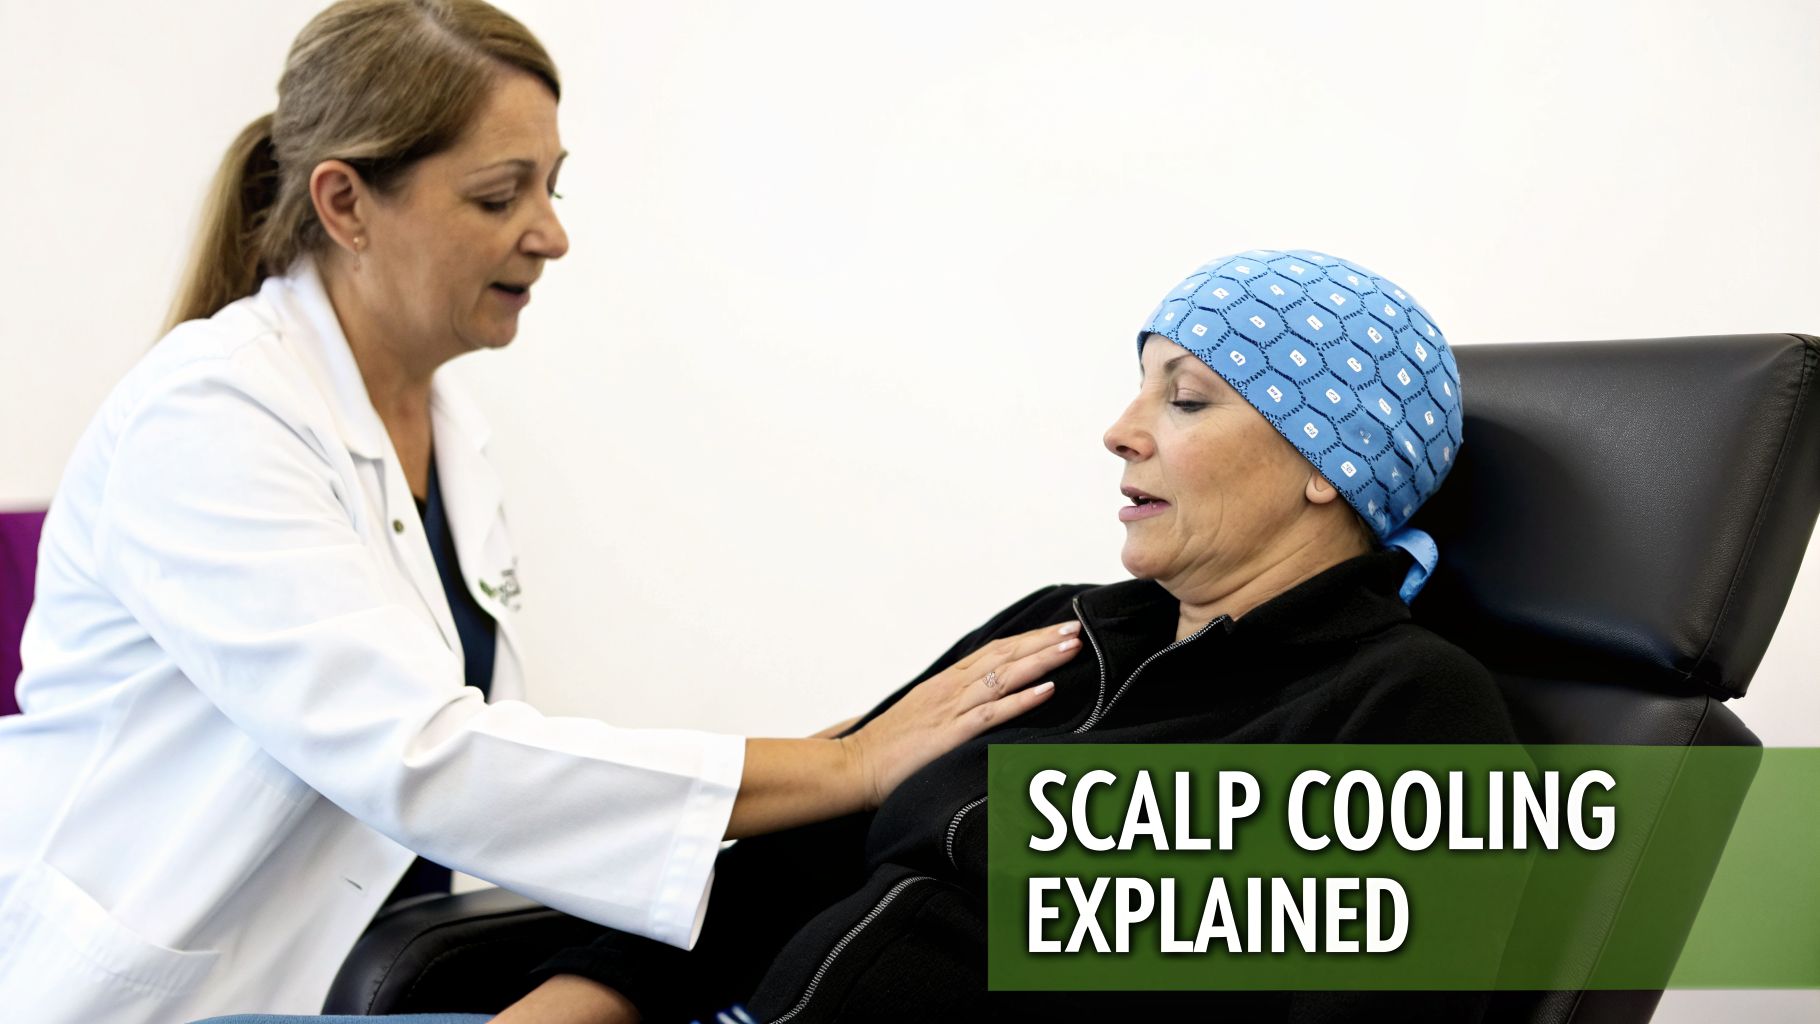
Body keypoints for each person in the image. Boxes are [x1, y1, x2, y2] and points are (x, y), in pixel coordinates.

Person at [0, 3, 1077, 1022]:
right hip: (154, 992)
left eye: (553, 187)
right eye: (498, 195)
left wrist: (829, 774)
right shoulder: (210, 412)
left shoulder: (445, 431)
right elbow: (423, 759)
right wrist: (839, 765)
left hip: (367, 967)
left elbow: (494, 774)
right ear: (343, 204)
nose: (550, 234)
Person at [201, 249, 1520, 1024]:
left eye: (1186, 400)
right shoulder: (1064, 631)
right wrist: (582, 996)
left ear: (1327, 468)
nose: (1122, 431)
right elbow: (813, 834)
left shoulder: (1407, 706)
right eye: (1136, 388)